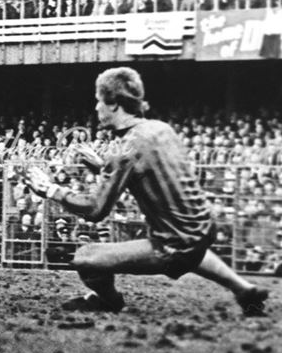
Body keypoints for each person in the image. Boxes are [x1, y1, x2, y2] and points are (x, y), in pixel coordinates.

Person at [24, 67, 269, 315]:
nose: (96, 107)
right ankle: (244, 289)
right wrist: (103, 167)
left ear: (115, 105)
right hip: (203, 231)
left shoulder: (124, 149)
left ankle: (109, 301)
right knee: (189, 245)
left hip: (172, 247)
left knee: (86, 257)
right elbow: (149, 173)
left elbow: (96, 210)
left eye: (99, 101)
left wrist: (52, 190)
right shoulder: (162, 129)